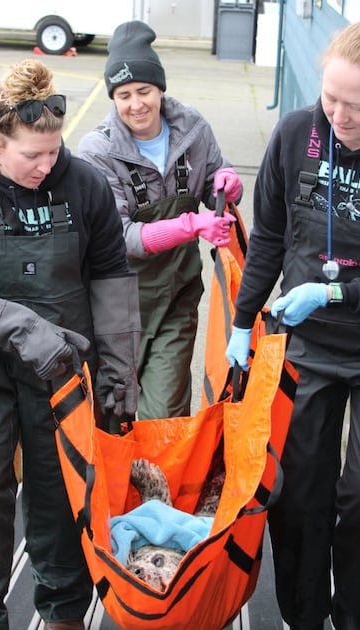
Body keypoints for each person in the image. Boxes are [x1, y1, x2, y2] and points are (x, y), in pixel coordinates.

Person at [224, 18, 360, 630]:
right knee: (295, 495)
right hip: (306, 345)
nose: (337, 116)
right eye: (330, 99)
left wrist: (333, 292)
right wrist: (244, 323)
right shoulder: (295, 135)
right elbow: (267, 238)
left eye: (356, 106)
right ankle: (305, 616)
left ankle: (350, 612)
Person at [0, 59, 141, 630]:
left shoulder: (84, 184)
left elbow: (112, 280)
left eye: (53, 151)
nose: (47, 165)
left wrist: (119, 373)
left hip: (62, 362)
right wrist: (20, 325)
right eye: (31, 155)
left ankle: (64, 612)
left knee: (61, 486)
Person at [77, 20, 242, 421]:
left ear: (160, 88)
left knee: (163, 411)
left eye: (144, 91)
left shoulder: (193, 129)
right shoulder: (96, 152)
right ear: (113, 97)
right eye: (124, 94)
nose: (136, 104)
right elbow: (121, 237)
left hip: (175, 294)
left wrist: (229, 184)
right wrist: (192, 226)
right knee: (115, 409)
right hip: (117, 304)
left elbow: (216, 185)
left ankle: (163, 484)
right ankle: (116, 485)